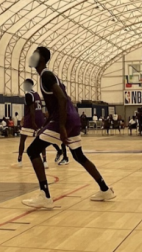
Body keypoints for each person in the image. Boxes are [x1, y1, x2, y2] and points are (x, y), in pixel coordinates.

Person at [22, 46, 115, 209]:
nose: (31, 56)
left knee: (32, 151)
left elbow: (63, 99)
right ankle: (105, 189)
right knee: (79, 156)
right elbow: (58, 103)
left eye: (34, 54)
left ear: (41, 59)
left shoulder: (46, 76)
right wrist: (47, 123)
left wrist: (62, 126)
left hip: (64, 118)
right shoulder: (47, 76)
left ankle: (45, 196)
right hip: (71, 117)